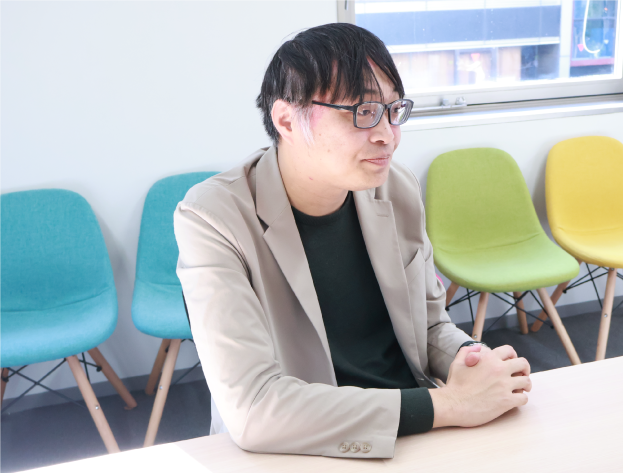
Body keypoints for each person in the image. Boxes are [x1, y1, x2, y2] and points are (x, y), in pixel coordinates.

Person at [174, 23, 531, 459]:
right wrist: (453, 405)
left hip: (413, 428)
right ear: (286, 120)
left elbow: (430, 326)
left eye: (393, 110)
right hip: (301, 445)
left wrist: (474, 359)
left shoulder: (396, 187)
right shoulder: (212, 218)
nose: (387, 134)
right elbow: (255, 408)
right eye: (363, 111)